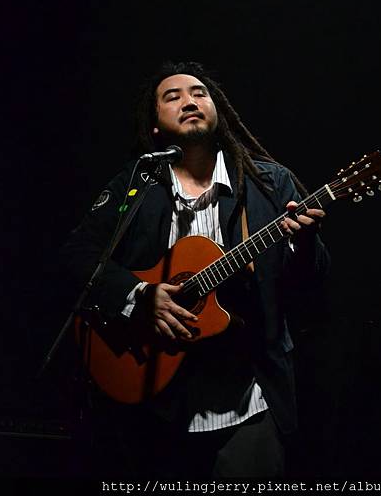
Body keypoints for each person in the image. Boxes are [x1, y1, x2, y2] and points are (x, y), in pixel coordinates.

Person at [61, 61, 330, 479]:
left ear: (216, 109)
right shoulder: (136, 184)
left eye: (199, 93)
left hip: (247, 400)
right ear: (154, 126)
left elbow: (310, 288)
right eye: (173, 97)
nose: (189, 101)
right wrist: (140, 296)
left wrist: (306, 241)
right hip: (155, 403)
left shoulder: (268, 182)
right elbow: (78, 253)